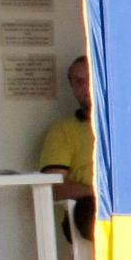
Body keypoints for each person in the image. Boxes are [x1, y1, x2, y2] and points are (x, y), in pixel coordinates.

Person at [40, 55, 96, 240]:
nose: (84, 87)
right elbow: (54, 186)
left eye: (89, 79)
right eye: (78, 82)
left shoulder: (126, 125)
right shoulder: (62, 131)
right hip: (87, 208)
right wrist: (98, 192)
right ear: (72, 87)